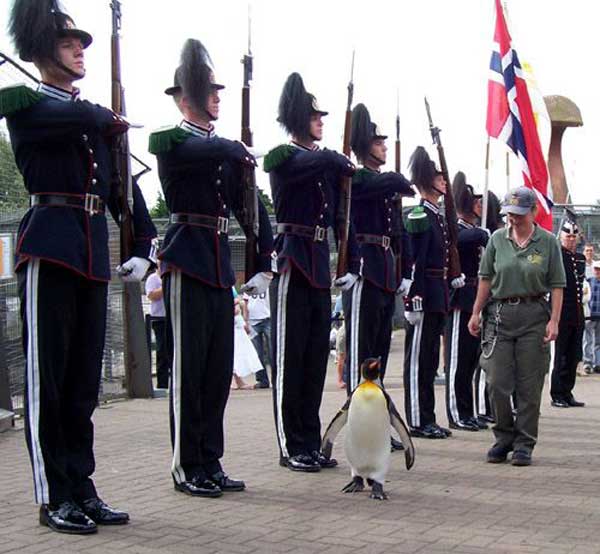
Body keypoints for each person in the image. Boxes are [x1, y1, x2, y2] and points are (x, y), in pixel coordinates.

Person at [3, 0, 157, 534]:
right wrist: (108, 118)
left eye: (83, 45)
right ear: (43, 50)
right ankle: (52, 496)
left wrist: (144, 238)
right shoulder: (26, 103)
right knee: (50, 378)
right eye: (70, 44)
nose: (80, 51)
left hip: (92, 248)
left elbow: (121, 180)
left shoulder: (88, 114)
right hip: (50, 244)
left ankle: (82, 486)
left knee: (82, 385)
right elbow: (66, 115)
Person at [148, 39, 273, 498]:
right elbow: (197, 151)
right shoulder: (174, 140)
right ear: (185, 99)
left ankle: (210, 460)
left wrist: (264, 255)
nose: (216, 98)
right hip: (187, 256)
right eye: (208, 92)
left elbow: (248, 206)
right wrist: (235, 148)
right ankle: (186, 464)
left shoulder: (222, 150)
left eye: (220, 91)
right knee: (189, 369)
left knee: (217, 368)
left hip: (218, 261)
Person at [264, 72, 358, 472]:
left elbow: (341, 214)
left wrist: (346, 260)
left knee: (313, 359)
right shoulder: (285, 157)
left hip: (318, 261)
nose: (321, 121)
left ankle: (309, 438)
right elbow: (316, 159)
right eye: (315, 116)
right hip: (292, 258)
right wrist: (339, 160)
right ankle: (290, 446)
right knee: (290, 360)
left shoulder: (319, 165)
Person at [468, 187, 565, 467]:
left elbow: (557, 285)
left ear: (534, 212)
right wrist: (475, 312)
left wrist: (554, 320)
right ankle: (503, 436)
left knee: (529, 386)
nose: (513, 220)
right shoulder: (497, 239)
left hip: (534, 316)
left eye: (519, 215)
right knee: (497, 382)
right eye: (509, 214)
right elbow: (485, 278)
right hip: (499, 316)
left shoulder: (547, 242)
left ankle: (524, 443)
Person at [343, 103, 414, 396]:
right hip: (365, 270)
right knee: (362, 352)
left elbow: (399, 230)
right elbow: (393, 181)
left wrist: (406, 271)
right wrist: (397, 182)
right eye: (377, 142)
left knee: (378, 356)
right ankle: (359, 420)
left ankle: (375, 420)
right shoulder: (356, 179)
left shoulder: (382, 185)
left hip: (385, 272)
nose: (384, 146)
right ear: (364, 146)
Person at [403, 147, 462, 439]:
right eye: (439, 176)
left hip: (438, 294)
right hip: (424, 295)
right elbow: (414, 262)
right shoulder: (419, 215)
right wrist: (412, 299)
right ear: (427, 180)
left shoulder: (438, 216)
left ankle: (428, 416)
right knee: (418, 361)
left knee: (429, 361)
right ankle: (416, 418)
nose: (444, 181)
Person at [444, 173, 489, 431]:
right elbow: (456, 241)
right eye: (476, 201)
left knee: (472, 360)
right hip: (461, 299)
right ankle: (456, 413)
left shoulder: (476, 231)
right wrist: (481, 235)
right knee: (458, 361)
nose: (480, 205)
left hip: (476, 298)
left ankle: (468, 410)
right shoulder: (459, 230)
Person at [550, 219, 586, 407]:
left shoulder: (580, 258)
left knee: (573, 355)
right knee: (560, 355)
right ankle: (557, 393)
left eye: (574, 236)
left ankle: (567, 391)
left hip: (577, 313)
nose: (571, 240)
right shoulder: (556, 255)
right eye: (568, 236)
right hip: (561, 312)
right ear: (561, 237)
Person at [146, 266, 170, 390]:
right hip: (159, 318)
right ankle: (162, 384)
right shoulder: (153, 278)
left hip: (170, 317)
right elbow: (151, 295)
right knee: (162, 350)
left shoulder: (170, 277)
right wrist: (164, 286)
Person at [232, 290, 262, 390]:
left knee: (239, 353)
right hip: (234, 324)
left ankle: (239, 381)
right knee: (236, 354)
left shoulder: (231, 288)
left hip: (237, 323)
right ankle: (238, 381)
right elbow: (236, 308)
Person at [243, 289, 272, 389]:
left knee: (273, 352)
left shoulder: (268, 280)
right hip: (253, 321)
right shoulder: (249, 283)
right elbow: (245, 303)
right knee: (257, 353)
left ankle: (277, 378)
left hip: (268, 318)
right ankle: (262, 380)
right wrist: (245, 320)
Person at [582, 243, 596, 373]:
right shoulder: (581, 265)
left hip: (596, 307)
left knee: (593, 337)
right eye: (587, 250)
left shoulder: (596, 265)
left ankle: (595, 362)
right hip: (586, 307)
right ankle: (587, 361)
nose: (589, 252)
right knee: (587, 336)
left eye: (591, 250)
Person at [584, 261, 600, 373]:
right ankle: (587, 363)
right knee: (587, 340)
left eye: (599, 269)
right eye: (596, 269)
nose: (598, 271)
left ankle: (597, 363)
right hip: (590, 315)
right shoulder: (588, 282)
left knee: (598, 341)